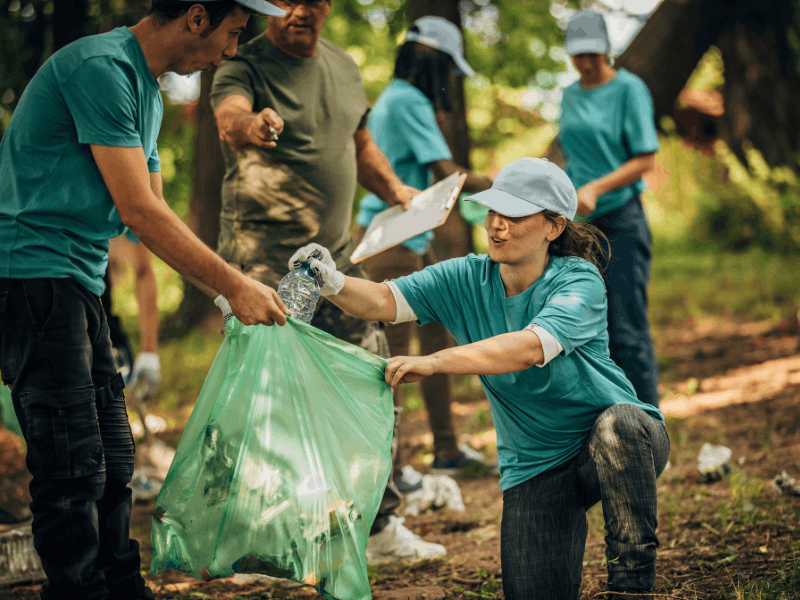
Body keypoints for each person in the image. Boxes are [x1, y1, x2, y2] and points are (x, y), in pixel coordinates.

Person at [0, 1, 293, 599]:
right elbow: (139, 210)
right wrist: (234, 285)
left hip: (79, 281)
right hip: (31, 275)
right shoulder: (100, 69)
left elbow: (152, 224)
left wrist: (225, 298)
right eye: (231, 34)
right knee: (71, 465)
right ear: (196, 18)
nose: (230, 52)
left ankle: (122, 588)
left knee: (111, 458)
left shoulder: (148, 92)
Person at [288, 157, 671, 599]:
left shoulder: (579, 280)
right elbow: (382, 301)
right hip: (536, 466)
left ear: (554, 226)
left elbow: (528, 349)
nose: (496, 225)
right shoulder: (467, 276)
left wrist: (436, 361)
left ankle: (631, 587)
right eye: (493, 212)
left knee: (618, 426)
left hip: (617, 444)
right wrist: (332, 280)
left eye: (514, 215)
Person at [209, 0, 445, 564]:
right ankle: (257, 544)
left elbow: (360, 146)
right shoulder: (244, 61)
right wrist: (254, 124)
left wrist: (397, 193)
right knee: (268, 402)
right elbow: (229, 118)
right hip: (262, 266)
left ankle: (379, 524)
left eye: (312, 0)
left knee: (374, 376)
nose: (299, 11)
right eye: (287, 0)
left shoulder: (344, 66)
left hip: (334, 261)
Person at [354, 16, 496, 484]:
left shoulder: (397, 98)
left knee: (437, 336)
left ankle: (448, 450)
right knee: (391, 358)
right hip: (391, 240)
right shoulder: (407, 99)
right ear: (432, 62)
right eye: (449, 70)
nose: (450, 82)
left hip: (411, 235)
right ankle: (388, 474)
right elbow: (443, 171)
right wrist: (504, 187)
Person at [558, 10, 661, 407]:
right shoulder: (569, 94)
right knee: (587, 331)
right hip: (579, 226)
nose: (584, 63)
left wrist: (597, 187)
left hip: (621, 218)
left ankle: (648, 429)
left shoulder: (629, 90)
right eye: (577, 55)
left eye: (592, 55)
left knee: (626, 332)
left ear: (606, 51)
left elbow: (645, 157)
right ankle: (608, 426)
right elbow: (569, 153)